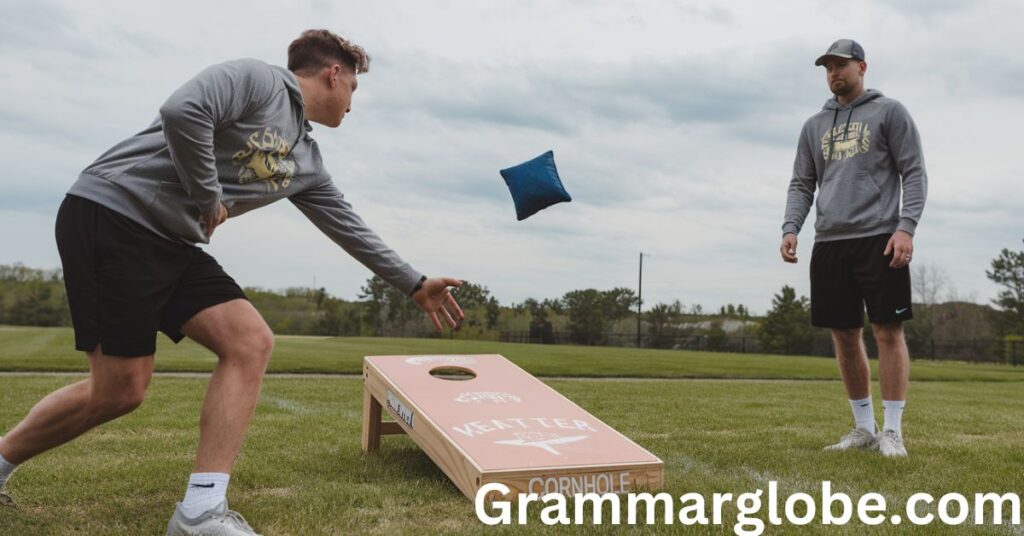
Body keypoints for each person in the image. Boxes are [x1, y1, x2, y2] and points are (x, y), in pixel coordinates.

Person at [0, 29, 465, 535]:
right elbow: (184, 112)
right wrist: (206, 197)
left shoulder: (305, 160)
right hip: (115, 214)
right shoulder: (258, 80)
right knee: (119, 391)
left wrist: (413, 282)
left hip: (174, 242)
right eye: (353, 88)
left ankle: (200, 512)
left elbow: (346, 225)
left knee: (249, 341)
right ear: (334, 73)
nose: (352, 103)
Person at [780, 39, 927, 457]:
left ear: (862, 67)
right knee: (845, 335)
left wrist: (906, 228)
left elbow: (913, 172)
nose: (833, 73)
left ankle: (892, 431)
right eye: (827, 67)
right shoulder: (813, 126)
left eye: (841, 65)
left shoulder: (890, 112)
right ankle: (864, 428)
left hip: (880, 237)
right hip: (830, 241)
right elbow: (802, 183)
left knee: (887, 330)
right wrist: (792, 227)